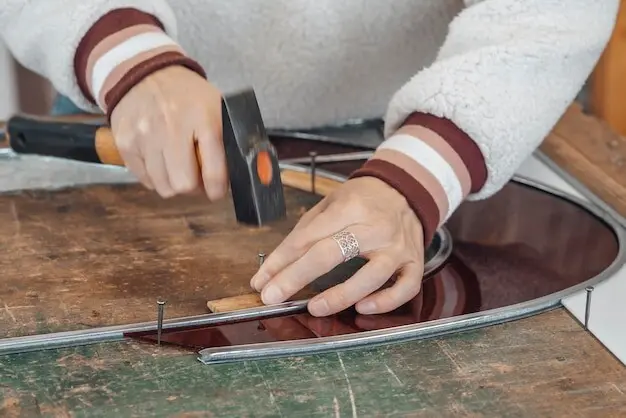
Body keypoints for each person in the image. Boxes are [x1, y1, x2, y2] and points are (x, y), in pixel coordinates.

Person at [1, 1, 618, 318]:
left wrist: (413, 179)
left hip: (421, 126)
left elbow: (547, 12)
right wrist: (127, 56)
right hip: (125, 89)